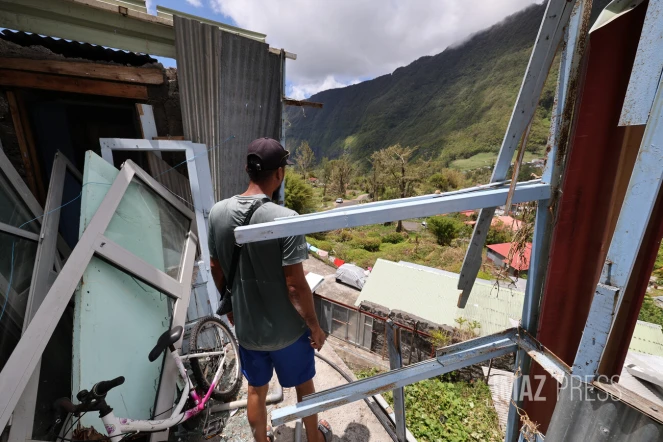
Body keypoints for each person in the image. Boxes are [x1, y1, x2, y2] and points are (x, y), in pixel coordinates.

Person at [207, 138, 332, 442]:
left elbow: (215, 268)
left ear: (247, 169)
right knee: (304, 387)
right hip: (288, 331)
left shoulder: (217, 213)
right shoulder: (285, 219)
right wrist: (314, 326)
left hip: (249, 330)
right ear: (279, 173)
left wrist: (233, 309)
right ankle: (314, 439)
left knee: (255, 390)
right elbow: (294, 285)